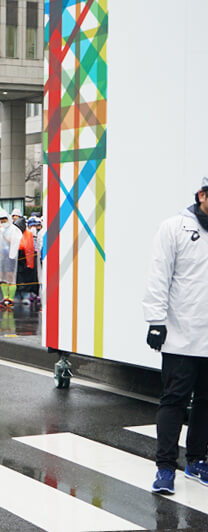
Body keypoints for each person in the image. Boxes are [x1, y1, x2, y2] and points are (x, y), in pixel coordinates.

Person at [144, 176, 208, 495]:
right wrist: (156, 321)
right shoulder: (174, 228)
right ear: (201, 195)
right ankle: (165, 467)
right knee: (174, 401)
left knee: (207, 402)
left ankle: (196, 461)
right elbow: (159, 274)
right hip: (181, 333)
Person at [0, 210, 23, 308]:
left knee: (11, 278)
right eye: (1, 220)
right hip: (1, 258)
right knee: (3, 278)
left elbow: (16, 242)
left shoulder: (14, 230)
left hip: (11, 258)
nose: (3, 221)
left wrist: (11, 254)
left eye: (5, 219)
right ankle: (5, 298)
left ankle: (11, 299)